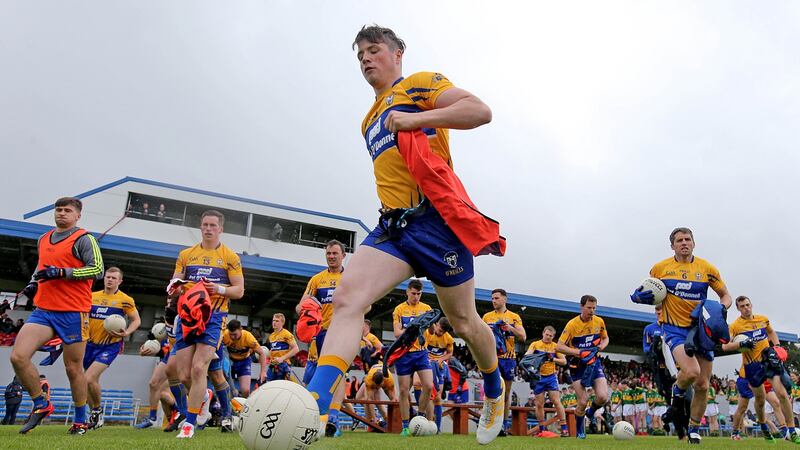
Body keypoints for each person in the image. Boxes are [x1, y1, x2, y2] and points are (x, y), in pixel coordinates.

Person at [302, 24, 505, 445]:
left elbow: (479, 111)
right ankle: (315, 407)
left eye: (374, 51)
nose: (366, 60)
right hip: (393, 228)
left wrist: (418, 117)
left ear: (398, 53)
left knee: (464, 322)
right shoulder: (368, 121)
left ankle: (494, 388)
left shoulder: (419, 84)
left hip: (438, 224)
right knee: (347, 298)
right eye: (360, 56)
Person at [9, 197, 104, 434]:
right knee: (18, 357)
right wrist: (33, 283)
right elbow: (40, 268)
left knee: (73, 369)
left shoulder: (84, 239)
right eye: (59, 210)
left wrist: (63, 272)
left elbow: (98, 269)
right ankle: (41, 404)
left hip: (74, 312)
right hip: (44, 311)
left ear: (77, 215)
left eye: (67, 210)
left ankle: (81, 420)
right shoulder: (44, 238)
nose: (62, 213)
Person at [631, 227, 732, 444]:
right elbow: (648, 290)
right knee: (692, 371)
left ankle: (693, 429)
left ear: (694, 243)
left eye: (688, 239)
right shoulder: (660, 268)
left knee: (703, 385)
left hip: (700, 329)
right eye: (679, 240)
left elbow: (725, 296)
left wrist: (721, 310)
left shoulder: (707, 268)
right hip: (674, 328)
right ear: (672, 246)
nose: (684, 243)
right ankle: (677, 390)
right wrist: (637, 296)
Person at [169, 210, 244, 438]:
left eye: (213, 225)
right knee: (183, 375)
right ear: (200, 227)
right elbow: (174, 283)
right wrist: (178, 288)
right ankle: (202, 400)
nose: (208, 228)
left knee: (199, 367)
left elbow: (239, 290)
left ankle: (190, 424)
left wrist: (218, 289)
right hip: (187, 316)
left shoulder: (230, 257)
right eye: (205, 225)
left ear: (220, 229)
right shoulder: (186, 254)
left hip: (214, 317)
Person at [721, 295, 800, 443]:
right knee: (759, 401)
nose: (746, 308)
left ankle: (791, 430)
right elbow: (725, 346)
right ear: (738, 309)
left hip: (768, 363)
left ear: (751, 305)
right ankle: (762, 426)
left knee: (781, 395)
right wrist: (741, 344)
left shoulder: (762, 319)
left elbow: (771, 332)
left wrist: (776, 346)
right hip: (751, 368)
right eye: (742, 306)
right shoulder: (735, 326)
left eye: (747, 305)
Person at [295, 239, 346, 437]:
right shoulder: (316, 280)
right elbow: (300, 307)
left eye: (335, 253)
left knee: (338, 372)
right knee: (311, 378)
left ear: (343, 255)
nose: (331, 256)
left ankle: (333, 419)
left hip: (342, 331)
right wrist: (309, 309)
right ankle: (315, 418)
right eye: (328, 253)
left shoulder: (351, 277)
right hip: (320, 333)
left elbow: (366, 306)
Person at [84, 267, 140, 429]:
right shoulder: (92, 296)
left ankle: (96, 411)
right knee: (87, 382)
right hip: (89, 344)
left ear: (120, 281)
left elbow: (136, 320)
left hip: (110, 345)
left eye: (114, 278)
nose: (110, 280)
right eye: (108, 277)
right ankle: (95, 412)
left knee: (88, 378)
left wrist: (127, 332)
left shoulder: (125, 300)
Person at [556, 295, 610, 439]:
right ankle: (580, 428)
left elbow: (605, 338)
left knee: (603, 397)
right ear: (581, 307)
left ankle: (591, 412)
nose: (592, 311)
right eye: (589, 308)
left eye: (594, 308)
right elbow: (559, 347)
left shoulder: (599, 321)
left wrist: (601, 347)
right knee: (582, 401)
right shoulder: (572, 325)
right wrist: (579, 352)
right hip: (577, 365)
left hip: (594, 363)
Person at [391, 280, 435, 436]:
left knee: (428, 386)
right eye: (414, 293)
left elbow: (432, 332)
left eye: (419, 294)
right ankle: (404, 427)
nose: (416, 297)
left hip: (422, 353)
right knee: (403, 390)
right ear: (407, 292)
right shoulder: (399, 309)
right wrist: (413, 327)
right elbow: (397, 333)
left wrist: (430, 322)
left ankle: (420, 418)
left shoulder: (426, 308)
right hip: (403, 353)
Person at [482, 288, 525, 436]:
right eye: (492, 298)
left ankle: (502, 426)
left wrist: (510, 328)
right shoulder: (487, 317)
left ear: (505, 299)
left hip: (508, 360)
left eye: (496, 298)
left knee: (505, 395)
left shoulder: (514, 317)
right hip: (492, 358)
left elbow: (523, 336)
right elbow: (480, 335)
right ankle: (489, 424)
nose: (493, 301)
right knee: (491, 393)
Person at [525, 325, 568, 438]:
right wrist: (534, 357)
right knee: (539, 404)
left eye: (551, 336)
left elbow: (564, 361)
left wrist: (552, 359)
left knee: (556, 401)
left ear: (553, 337)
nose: (548, 337)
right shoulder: (535, 344)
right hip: (538, 377)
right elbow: (527, 355)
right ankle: (542, 430)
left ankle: (564, 428)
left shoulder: (555, 346)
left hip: (551, 377)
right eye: (547, 334)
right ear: (543, 333)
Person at [424, 316, 454, 432]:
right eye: (440, 330)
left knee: (438, 397)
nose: (440, 333)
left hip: (440, 368)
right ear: (436, 324)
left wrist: (441, 359)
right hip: (426, 366)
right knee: (428, 394)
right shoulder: (428, 333)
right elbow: (422, 349)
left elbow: (450, 353)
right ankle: (426, 420)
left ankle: (437, 428)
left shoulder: (448, 339)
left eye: (443, 332)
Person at [223, 319, 268, 396]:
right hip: (230, 361)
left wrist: (263, 372)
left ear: (241, 330)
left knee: (246, 390)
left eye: (235, 334)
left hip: (244, 362)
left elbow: (261, 353)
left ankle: (243, 405)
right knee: (225, 389)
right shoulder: (225, 335)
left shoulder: (248, 337)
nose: (232, 337)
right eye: (231, 334)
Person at [356, 362, 398, 429]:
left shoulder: (389, 380)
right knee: (361, 399)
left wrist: (394, 420)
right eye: (376, 386)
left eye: (379, 386)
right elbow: (370, 400)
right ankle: (373, 421)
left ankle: (389, 421)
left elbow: (394, 399)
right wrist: (374, 419)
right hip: (373, 374)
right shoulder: (369, 380)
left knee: (392, 401)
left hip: (384, 377)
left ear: (383, 381)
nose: (378, 388)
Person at [263, 314, 296, 383]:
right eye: (273, 320)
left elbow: (296, 349)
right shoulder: (271, 336)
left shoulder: (287, 334)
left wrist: (282, 358)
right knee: (269, 385)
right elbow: (273, 351)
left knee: (281, 388)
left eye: (277, 321)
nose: (274, 323)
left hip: (283, 365)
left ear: (282, 323)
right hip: (273, 365)